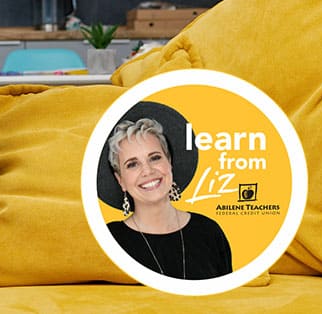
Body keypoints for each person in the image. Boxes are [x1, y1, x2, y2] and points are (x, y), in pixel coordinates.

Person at [97, 101, 232, 280]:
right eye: (132, 164)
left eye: (154, 158)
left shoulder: (209, 231)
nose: (148, 171)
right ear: (120, 180)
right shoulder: (107, 239)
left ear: (170, 163)